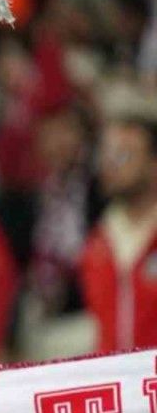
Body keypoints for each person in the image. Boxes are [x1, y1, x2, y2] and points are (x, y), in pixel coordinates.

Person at [77, 103, 157, 353]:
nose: (110, 165)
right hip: (117, 373)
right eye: (106, 155)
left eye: (123, 155)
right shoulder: (97, 242)